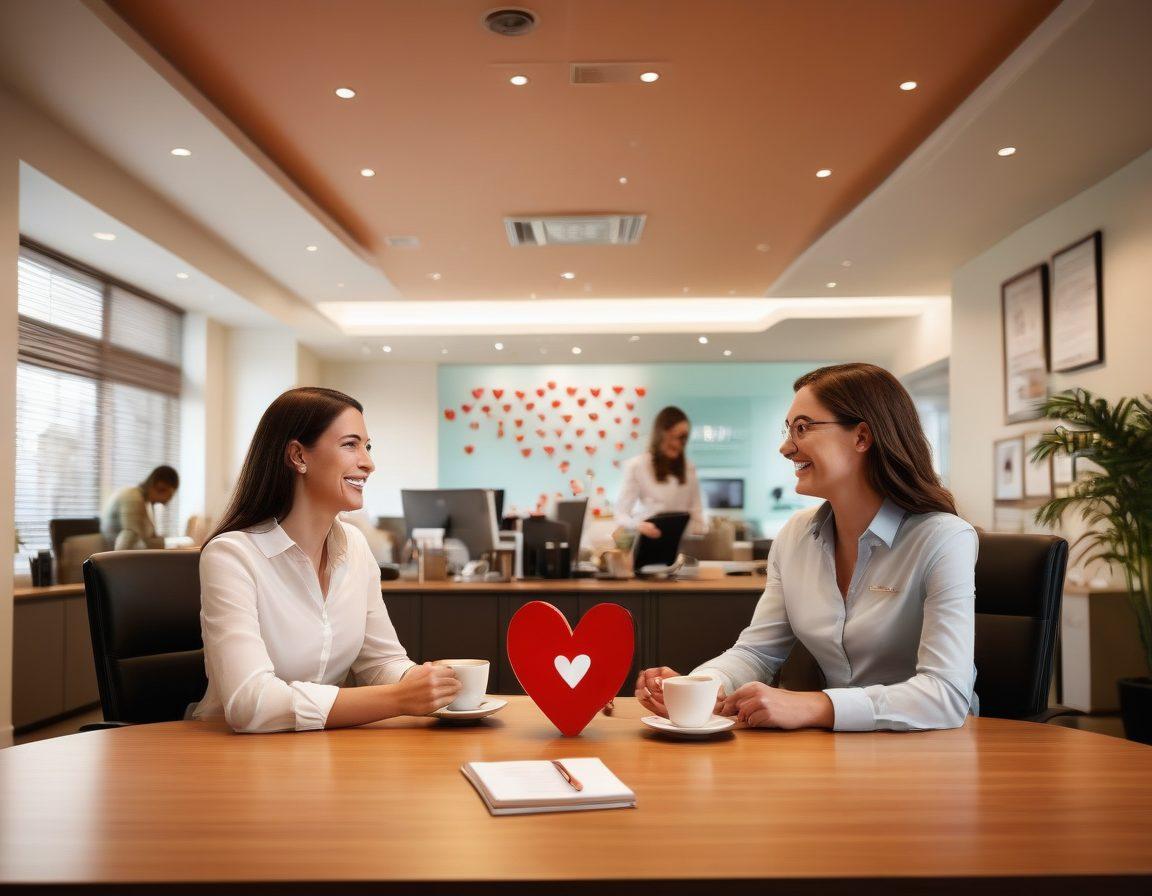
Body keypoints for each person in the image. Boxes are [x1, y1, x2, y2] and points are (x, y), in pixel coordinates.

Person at [635, 363, 977, 732]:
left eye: (803, 428)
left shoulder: (944, 539)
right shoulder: (794, 536)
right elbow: (757, 652)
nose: (786, 447)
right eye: (789, 430)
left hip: (934, 752)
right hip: (837, 751)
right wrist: (697, 689)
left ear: (862, 437)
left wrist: (815, 706)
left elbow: (945, 694)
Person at [189, 387, 461, 733]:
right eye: (351, 444)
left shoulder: (356, 547)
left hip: (320, 751)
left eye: (367, 446)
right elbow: (251, 703)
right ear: (298, 456)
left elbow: (381, 661)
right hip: (229, 758)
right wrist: (399, 699)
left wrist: (423, 683)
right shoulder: (232, 555)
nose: (368, 463)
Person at [615, 405, 707, 539]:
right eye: (673, 437)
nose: (678, 443)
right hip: (648, 541)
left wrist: (700, 530)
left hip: (682, 545)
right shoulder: (637, 466)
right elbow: (621, 514)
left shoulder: (689, 469)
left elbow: (697, 515)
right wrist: (637, 525)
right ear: (660, 434)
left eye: (683, 438)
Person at [100, 465, 179, 550]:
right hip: (114, 555)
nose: (170, 498)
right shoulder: (133, 498)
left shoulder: (145, 501)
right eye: (171, 494)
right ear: (161, 486)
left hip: (119, 553)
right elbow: (128, 540)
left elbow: (148, 536)